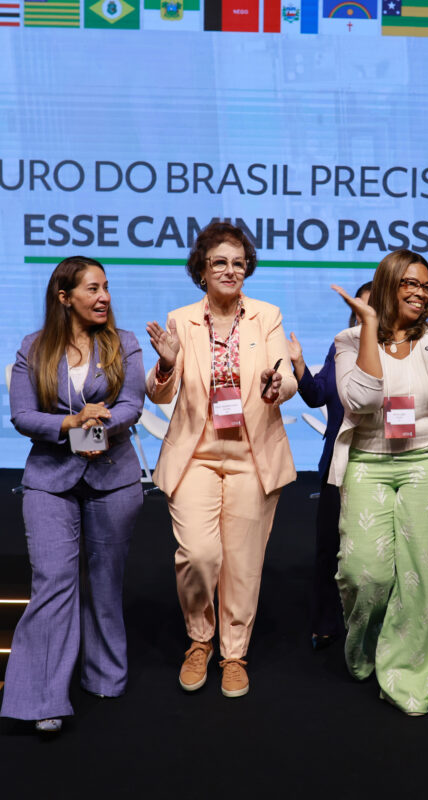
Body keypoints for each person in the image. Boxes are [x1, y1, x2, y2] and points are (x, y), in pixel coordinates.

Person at [145, 221, 296, 699]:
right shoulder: (181, 319)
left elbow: (284, 376)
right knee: (199, 555)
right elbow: (159, 393)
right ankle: (199, 638)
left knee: (243, 563)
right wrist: (167, 363)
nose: (231, 270)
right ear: (202, 271)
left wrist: (279, 386)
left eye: (238, 262)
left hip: (253, 453)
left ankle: (233, 653)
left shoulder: (265, 314)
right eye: (220, 263)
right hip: (197, 453)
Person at [2, 256, 146, 733]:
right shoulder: (34, 348)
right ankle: (43, 698)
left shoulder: (123, 343)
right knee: (54, 581)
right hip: (50, 479)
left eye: (105, 287)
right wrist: (70, 422)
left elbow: (132, 403)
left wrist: (103, 419)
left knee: (106, 581)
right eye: (92, 289)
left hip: (114, 476)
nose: (104, 296)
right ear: (64, 298)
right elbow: (23, 415)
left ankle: (105, 677)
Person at [329, 250, 428, 716]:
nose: (420, 291)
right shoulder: (349, 339)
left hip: (425, 458)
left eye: (426, 286)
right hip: (368, 460)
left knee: (419, 575)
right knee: (363, 571)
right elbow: (362, 399)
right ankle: (365, 647)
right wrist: (370, 325)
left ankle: (408, 676)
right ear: (388, 283)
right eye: (409, 282)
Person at [287, 281, 372, 651]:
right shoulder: (340, 346)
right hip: (338, 462)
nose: (365, 313)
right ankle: (325, 623)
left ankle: (371, 623)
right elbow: (316, 395)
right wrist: (300, 365)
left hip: (380, 462)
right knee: (328, 547)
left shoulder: (396, 350)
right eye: (359, 307)